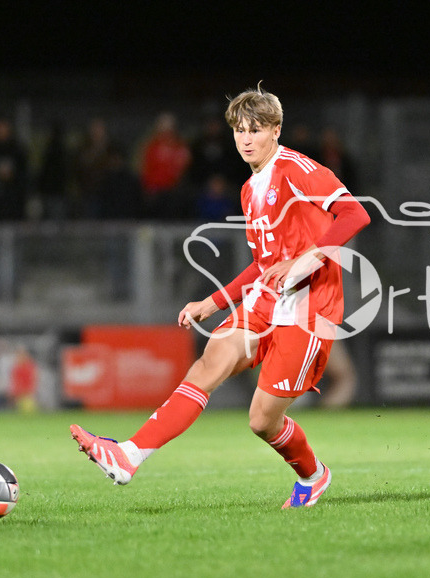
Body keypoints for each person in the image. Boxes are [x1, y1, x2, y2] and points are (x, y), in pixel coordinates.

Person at [71, 84, 371, 509]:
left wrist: (309, 259)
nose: (246, 139)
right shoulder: (250, 190)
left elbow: (356, 213)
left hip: (309, 310)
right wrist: (211, 303)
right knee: (209, 362)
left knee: (262, 421)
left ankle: (314, 475)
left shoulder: (296, 169)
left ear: (276, 130)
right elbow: (263, 264)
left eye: (256, 129)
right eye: (239, 131)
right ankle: (129, 455)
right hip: (266, 302)